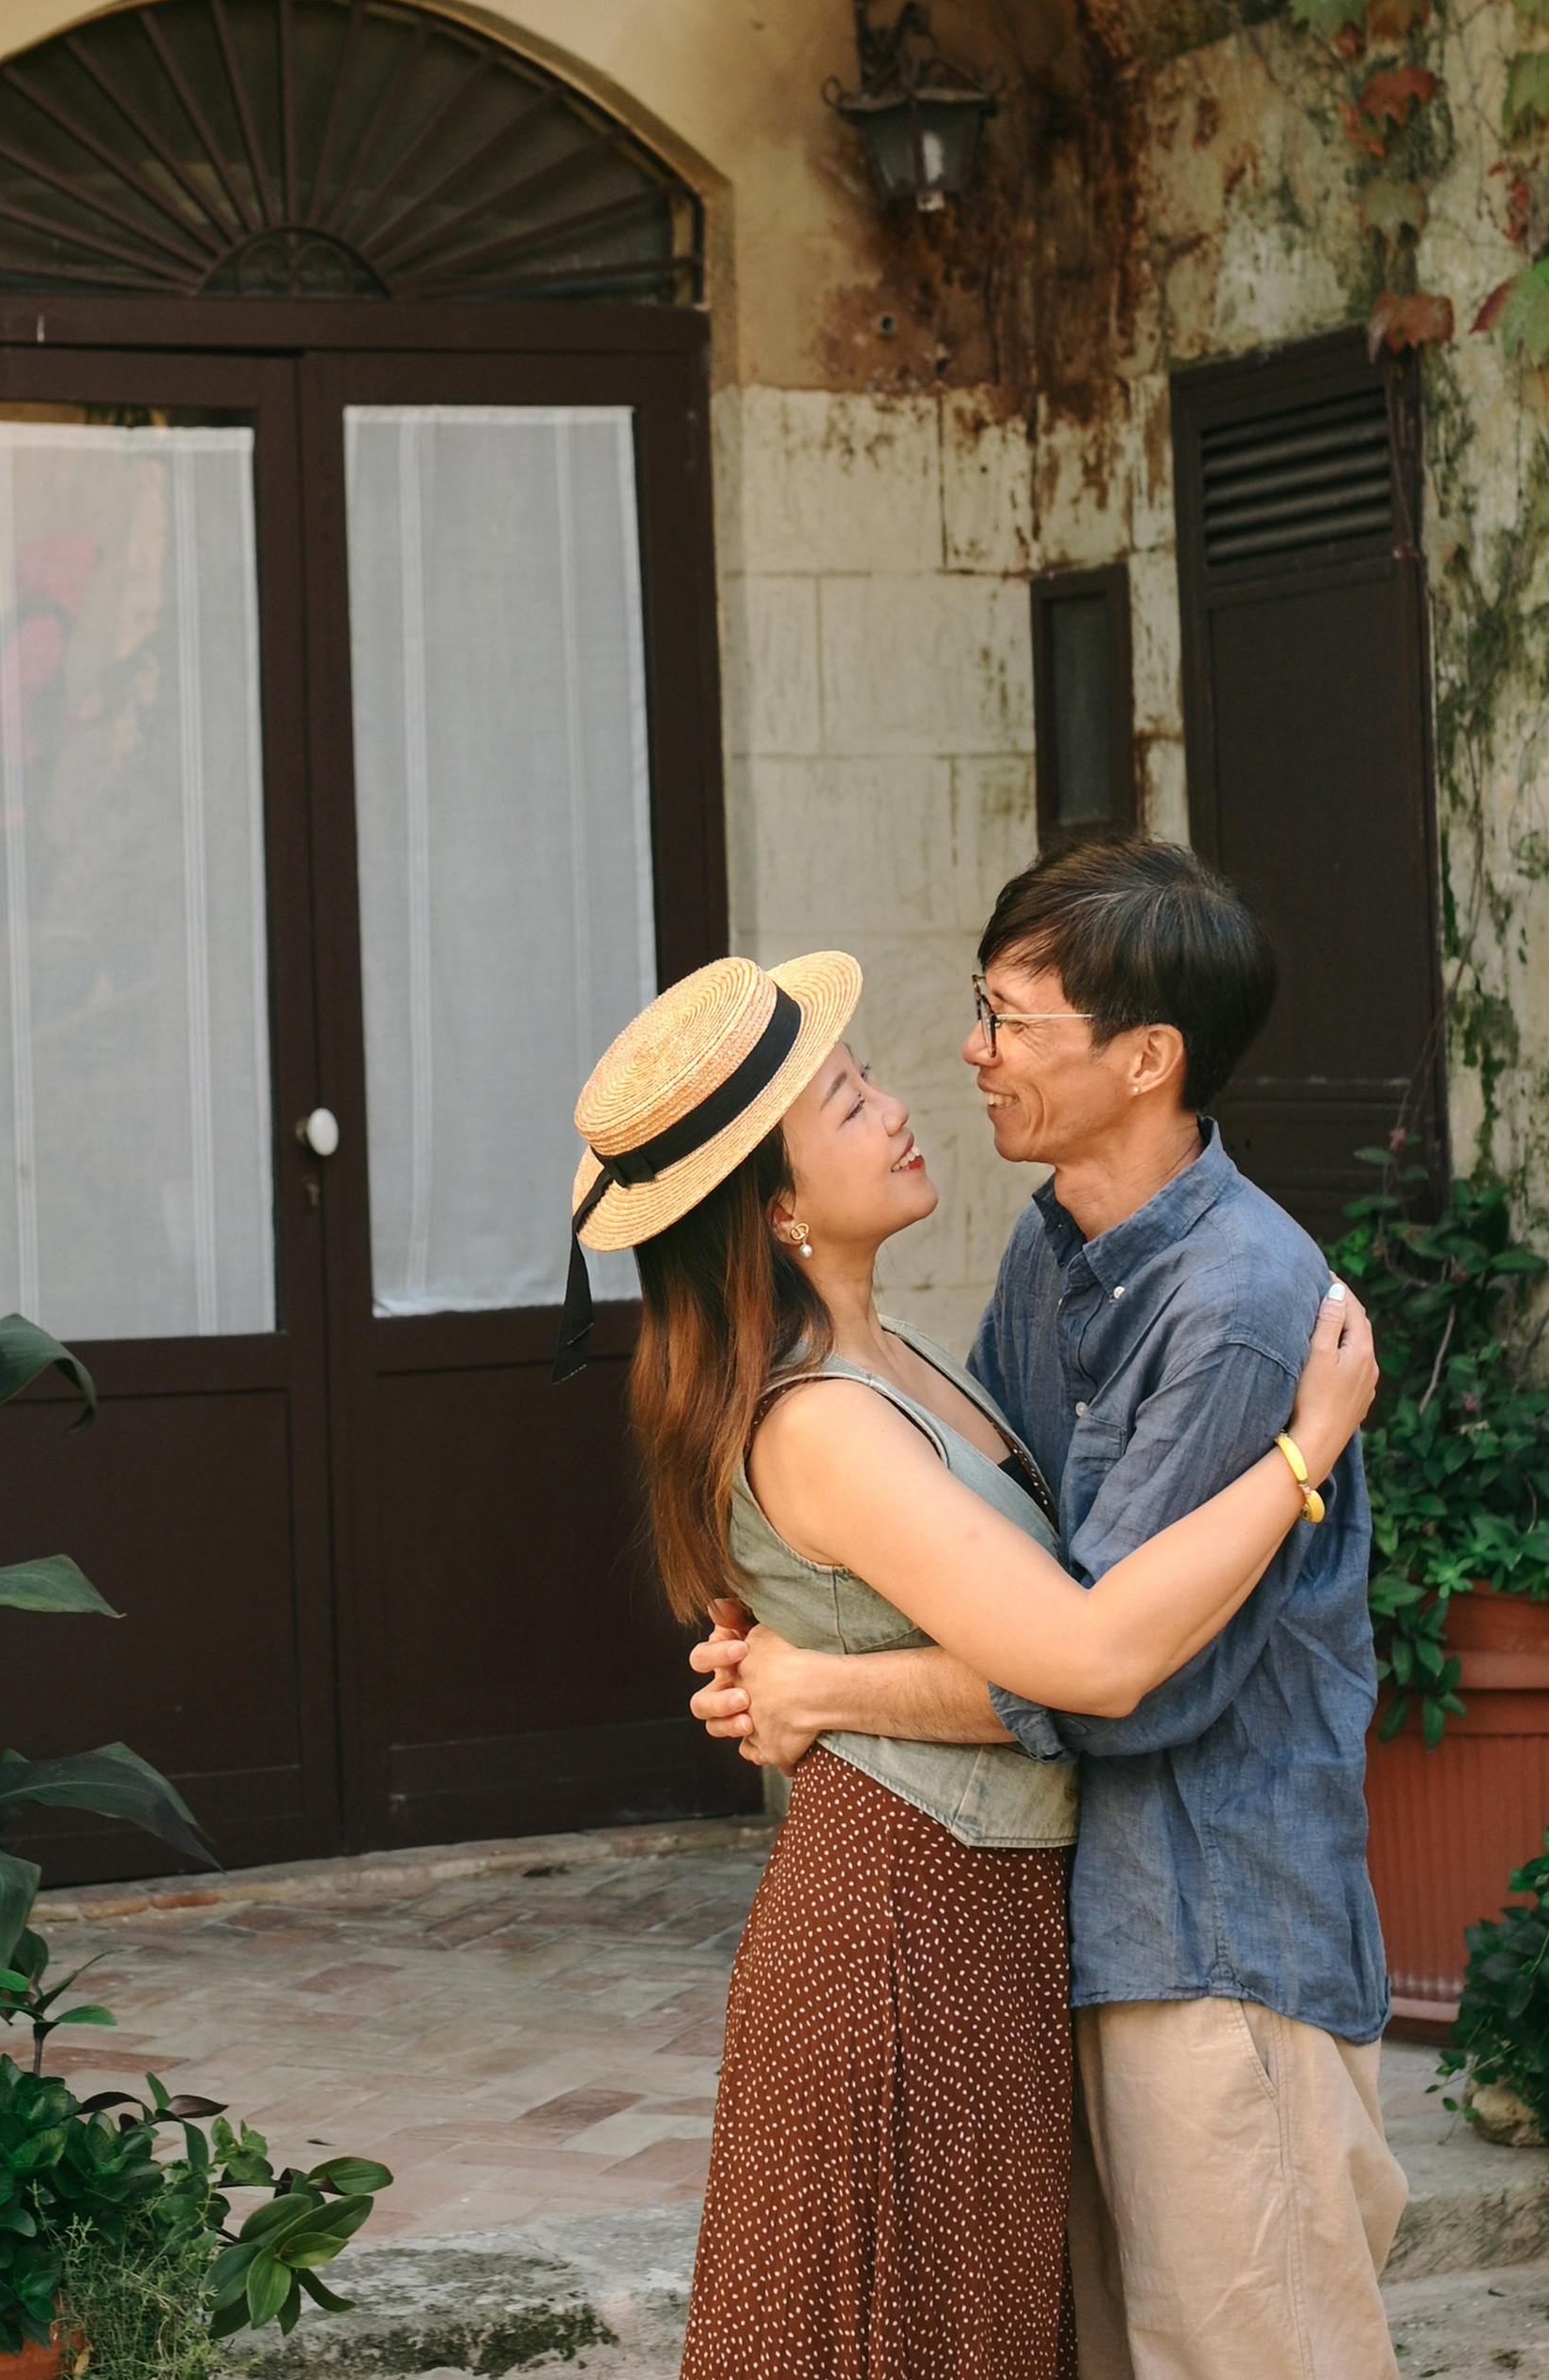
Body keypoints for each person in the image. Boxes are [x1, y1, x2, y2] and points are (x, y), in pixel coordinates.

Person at [558, 938, 1374, 2380]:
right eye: (849, 1102)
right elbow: (1089, 1654)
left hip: (981, 1923)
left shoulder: (907, 1357)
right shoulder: (821, 1422)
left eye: (867, 1078)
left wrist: (818, 1683)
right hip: (901, 1930)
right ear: (779, 1208)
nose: (898, 1107)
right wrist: (1303, 1452)